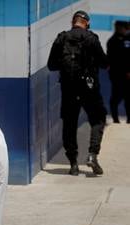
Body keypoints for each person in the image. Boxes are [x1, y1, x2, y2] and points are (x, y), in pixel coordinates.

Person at [47, 10, 109, 176]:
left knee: (69, 124)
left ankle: (73, 164)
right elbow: (104, 63)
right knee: (98, 118)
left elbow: (51, 65)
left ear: (72, 22)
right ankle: (92, 154)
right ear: (87, 23)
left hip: (68, 88)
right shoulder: (91, 38)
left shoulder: (61, 38)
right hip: (89, 88)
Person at [107, 20, 130, 123]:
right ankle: (115, 119)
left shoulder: (129, 39)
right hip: (117, 75)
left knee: (128, 99)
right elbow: (111, 59)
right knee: (115, 99)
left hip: (128, 76)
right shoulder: (112, 41)